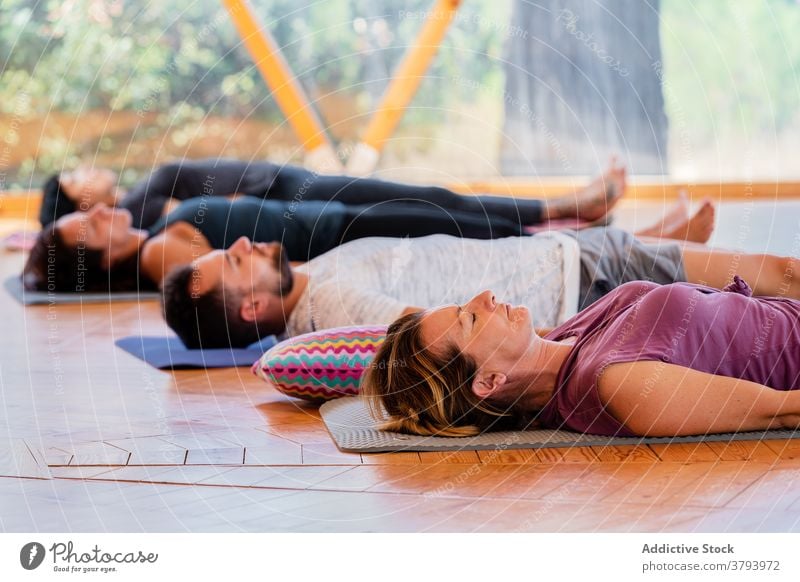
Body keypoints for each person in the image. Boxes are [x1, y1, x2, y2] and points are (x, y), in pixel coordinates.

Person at [160, 198, 728, 349]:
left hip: (569, 257)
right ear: (254, 308)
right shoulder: (334, 308)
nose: (238, 242)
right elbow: (446, 330)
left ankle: (665, 232)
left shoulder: (311, 287)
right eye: (233, 262)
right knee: (777, 280)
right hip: (580, 282)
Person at [360, 277, 800, 438]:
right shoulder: (616, 386)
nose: (486, 296)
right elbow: (783, 413)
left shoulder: (568, 338)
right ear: (489, 381)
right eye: (470, 319)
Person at [39, 158, 626, 229]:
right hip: (300, 194)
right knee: (428, 204)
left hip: (297, 188)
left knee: (430, 199)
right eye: (75, 177)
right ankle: (566, 211)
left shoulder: (146, 201)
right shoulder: (147, 201)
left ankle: (566, 210)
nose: (87, 170)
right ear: (81, 205)